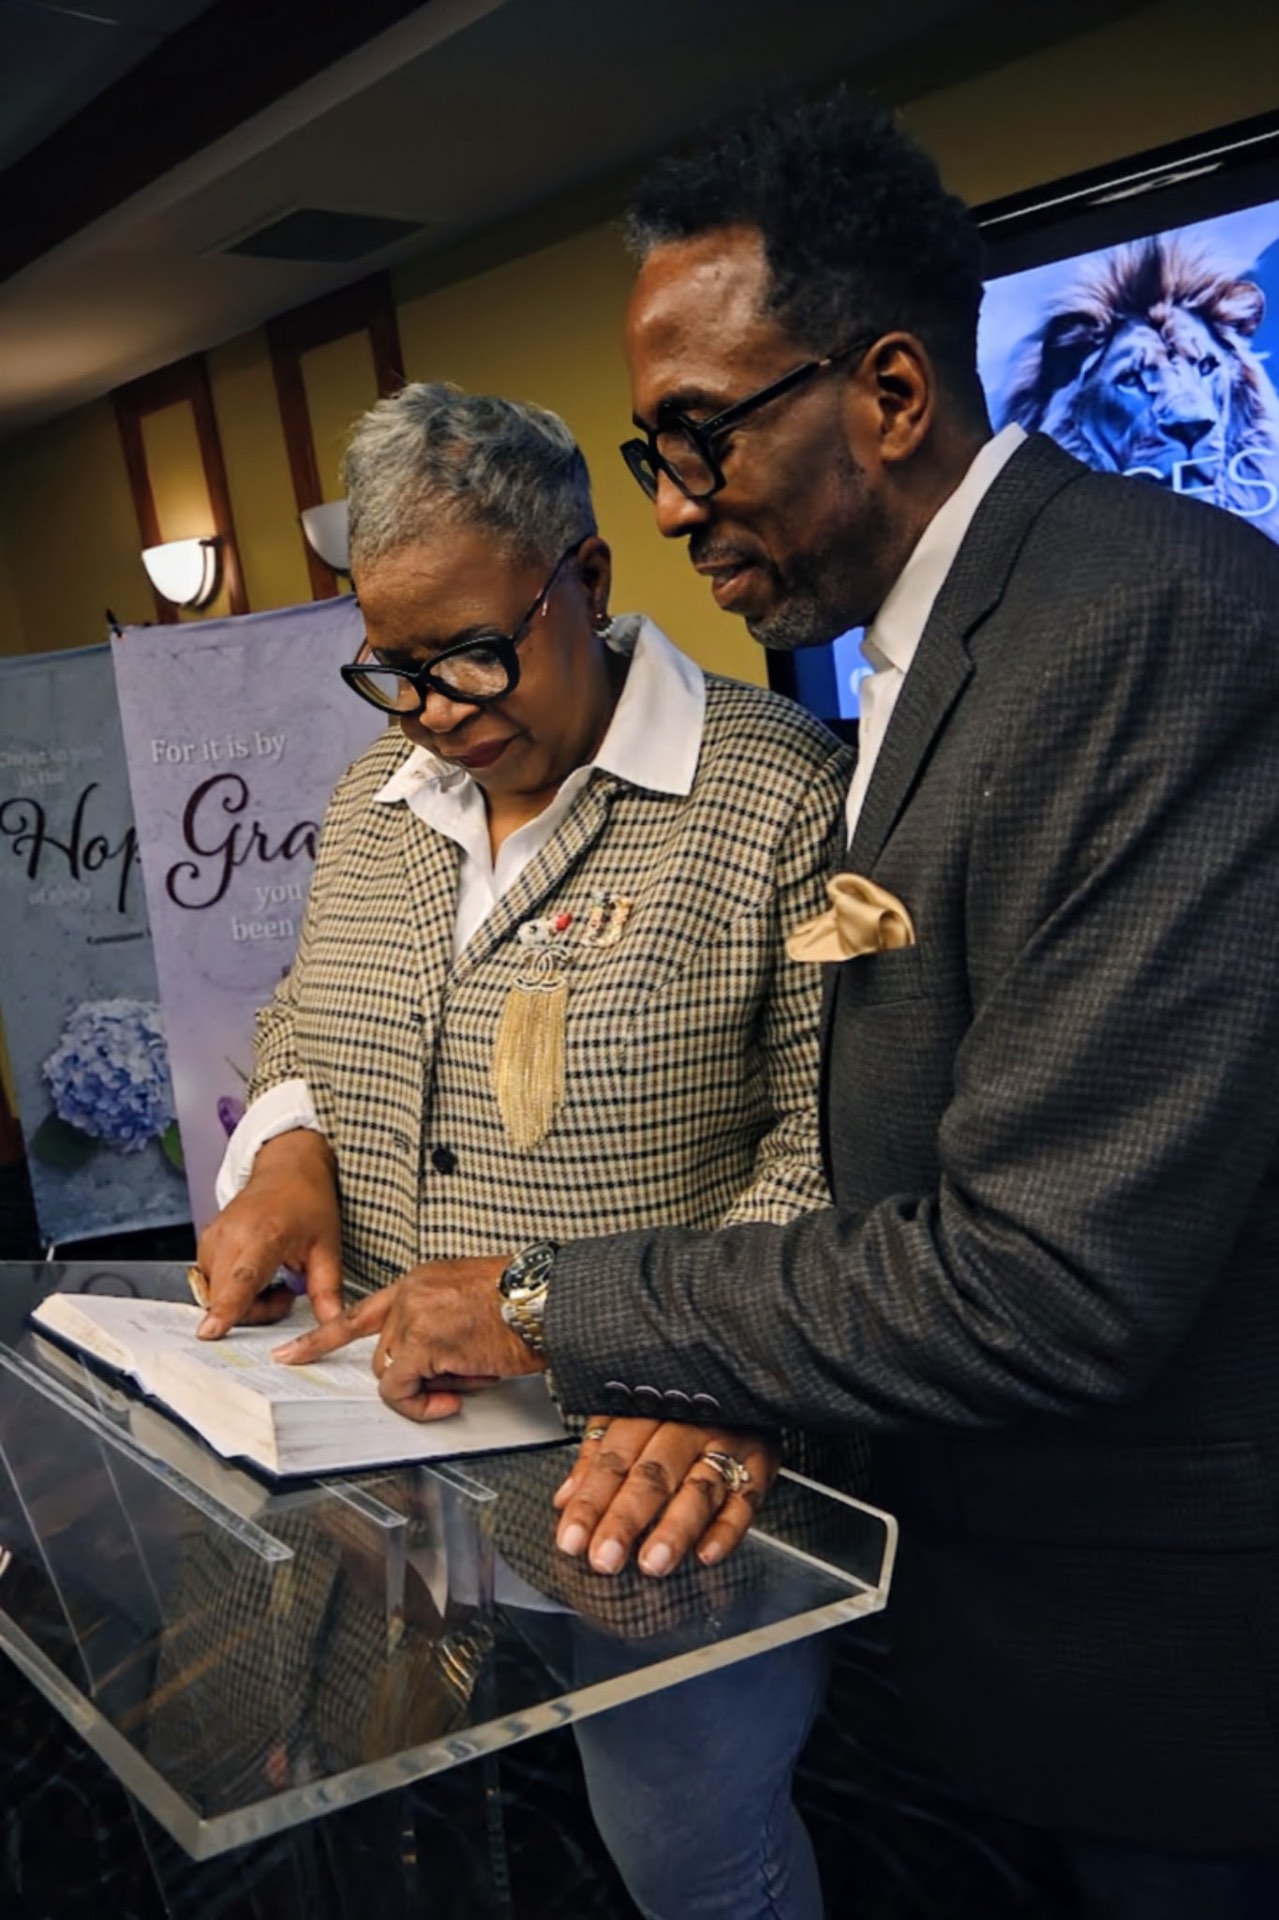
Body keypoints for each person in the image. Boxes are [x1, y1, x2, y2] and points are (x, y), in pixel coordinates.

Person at [270, 95, 1279, 1919]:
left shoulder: (1147, 622)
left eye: (696, 439)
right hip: (956, 1565)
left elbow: (1037, 1265)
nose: (666, 504)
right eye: (386, 670)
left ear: (888, 395)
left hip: (1158, 1628)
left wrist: (546, 1306)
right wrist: (289, 1137)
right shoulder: (928, 655)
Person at [197, 380, 858, 1919]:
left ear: (592, 578)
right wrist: (290, 1146)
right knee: (406, 1813)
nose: (437, 708)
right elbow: (302, 1022)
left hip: (657, 1462)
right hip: (381, 1454)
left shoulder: (775, 796)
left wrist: (685, 1362)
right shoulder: (375, 800)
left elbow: (829, 1152)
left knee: (686, 1856)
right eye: (395, 668)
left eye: (479, 650)